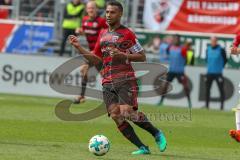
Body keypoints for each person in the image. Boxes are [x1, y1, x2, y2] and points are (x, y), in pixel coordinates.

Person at [69, 1, 167, 155]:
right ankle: (142, 147)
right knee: (116, 115)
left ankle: (156, 133)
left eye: (112, 12)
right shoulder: (103, 34)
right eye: (107, 12)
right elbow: (96, 59)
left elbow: (142, 56)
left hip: (125, 78)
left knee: (126, 112)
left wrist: (124, 55)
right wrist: (78, 47)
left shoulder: (127, 34)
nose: (108, 15)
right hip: (107, 80)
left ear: (120, 14)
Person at [73, 0, 108, 103]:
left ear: (96, 9)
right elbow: (86, 32)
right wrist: (80, 31)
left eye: (92, 8)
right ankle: (82, 96)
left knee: (87, 70)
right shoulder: (84, 20)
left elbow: (109, 34)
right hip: (92, 52)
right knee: (88, 72)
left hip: (100, 52)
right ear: (86, 10)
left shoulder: (101, 21)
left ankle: (82, 96)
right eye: (89, 8)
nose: (91, 10)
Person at [158, 34, 192, 108]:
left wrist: (189, 50)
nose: (175, 40)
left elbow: (188, 59)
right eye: (174, 39)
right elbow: (167, 51)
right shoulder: (170, 47)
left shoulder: (183, 49)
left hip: (180, 71)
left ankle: (189, 103)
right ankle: (160, 102)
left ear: (179, 40)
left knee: (185, 87)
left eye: (177, 39)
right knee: (165, 86)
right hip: (172, 70)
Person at [205, 37, 227, 110]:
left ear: (216, 41)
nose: (213, 42)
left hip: (218, 73)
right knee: (207, 89)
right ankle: (207, 106)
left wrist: (220, 67)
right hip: (209, 73)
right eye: (212, 41)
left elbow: (225, 60)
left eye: (214, 41)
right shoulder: (208, 49)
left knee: (221, 90)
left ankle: (222, 106)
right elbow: (206, 59)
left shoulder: (221, 50)